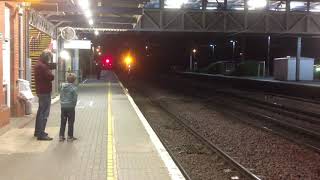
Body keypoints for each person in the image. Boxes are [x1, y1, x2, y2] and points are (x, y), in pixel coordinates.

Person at [34, 50, 54, 141]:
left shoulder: (38, 64)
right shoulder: (43, 66)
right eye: (49, 58)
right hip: (45, 91)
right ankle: (41, 134)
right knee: (44, 113)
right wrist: (50, 70)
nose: (49, 60)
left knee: (40, 112)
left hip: (40, 90)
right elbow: (50, 77)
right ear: (46, 57)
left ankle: (37, 131)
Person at [59, 73, 78, 142]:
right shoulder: (74, 88)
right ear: (74, 80)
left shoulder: (62, 87)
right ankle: (70, 137)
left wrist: (62, 102)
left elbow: (60, 96)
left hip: (63, 107)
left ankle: (61, 136)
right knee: (70, 122)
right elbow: (75, 99)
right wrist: (73, 105)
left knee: (63, 122)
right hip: (70, 107)